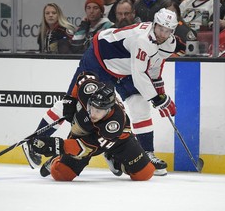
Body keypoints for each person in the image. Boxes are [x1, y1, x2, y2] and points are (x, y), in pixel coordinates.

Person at [23, 8, 178, 176]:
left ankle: (147, 153)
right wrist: (156, 97)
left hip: (124, 69)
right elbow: (140, 74)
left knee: (140, 105)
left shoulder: (169, 43)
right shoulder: (142, 40)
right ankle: (33, 144)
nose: (163, 34)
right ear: (154, 24)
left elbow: (154, 67)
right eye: (160, 28)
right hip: (99, 60)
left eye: (167, 30)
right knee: (70, 105)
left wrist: (160, 93)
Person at [27, 73, 155, 181]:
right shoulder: (89, 90)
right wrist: (70, 101)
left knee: (145, 173)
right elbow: (83, 76)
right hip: (83, 133)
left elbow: (86, 147)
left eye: (99, 111)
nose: (93, 114)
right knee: (61, 174)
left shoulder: (114, 123)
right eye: (92, 108)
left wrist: (59, 145)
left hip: (115, 139)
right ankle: (57, 159)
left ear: (108, 110)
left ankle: (114, 158)